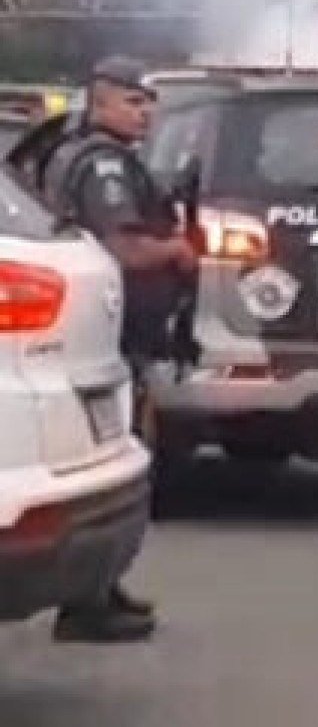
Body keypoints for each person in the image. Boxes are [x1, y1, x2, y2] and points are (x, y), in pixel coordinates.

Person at [39, 56, 198, 643]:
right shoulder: (104, 165)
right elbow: (122, 250)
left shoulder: (82, 155)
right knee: (115, 473)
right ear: (100, 101)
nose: (145, 111)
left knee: (110, 468)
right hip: (109, 336)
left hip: (106, 334)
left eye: (148, 101)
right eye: (133, 101)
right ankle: (87, 600)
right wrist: (179, 253)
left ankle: (97, 590)